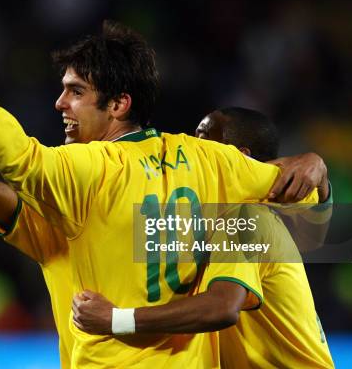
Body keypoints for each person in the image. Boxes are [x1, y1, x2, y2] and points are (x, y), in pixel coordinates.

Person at [0, 5, 324, 367]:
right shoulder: (212, 162)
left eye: (75, 92)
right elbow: (309, 198)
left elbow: (14, 156)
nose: (60, 103)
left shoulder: (84, 174)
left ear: (119, 103)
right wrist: (315, 166)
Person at [71, 107, 334, 368]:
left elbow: (222, 307)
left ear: (238, 157)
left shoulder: (246, 217)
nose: (188, 147)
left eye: (203, 138)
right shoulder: (211, 222)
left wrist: (115, 320)